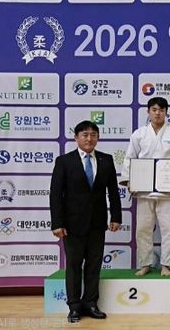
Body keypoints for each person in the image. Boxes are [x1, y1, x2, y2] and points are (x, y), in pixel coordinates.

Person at [49, 121, 121, 323]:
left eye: (93, 135)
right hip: (72, 225)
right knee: (73, 266)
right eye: (85, 135)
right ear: (76, 138)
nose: (89, 139)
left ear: (98, 138)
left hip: (98, 223)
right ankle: (74, 306)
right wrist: (57, 223)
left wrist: (116, 217)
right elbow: (56, 194)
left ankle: (90, 303)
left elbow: (113, 191)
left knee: (94, 265)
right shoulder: (64, 161)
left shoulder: (106, 160)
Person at [122, 97, 170, 277]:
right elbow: (129, 158)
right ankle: (145, 263)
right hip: (144, 191)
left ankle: (166, 264)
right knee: (143, 229)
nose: (158, 113)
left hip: (167, 191)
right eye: (154, 110)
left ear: (166, 112)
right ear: (148, 111)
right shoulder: (139, 134)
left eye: (161, 110)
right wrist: (130, 181)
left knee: (168, 229)